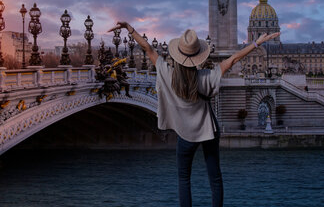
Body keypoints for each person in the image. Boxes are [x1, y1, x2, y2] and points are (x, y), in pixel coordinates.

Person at [108, 22, 280, 207]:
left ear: (177, 56)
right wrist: (256, 44)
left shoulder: (167, 74)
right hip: (208, 131)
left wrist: (129, 28)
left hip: (186, 135)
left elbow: (147, 48)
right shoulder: (206, 77)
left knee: (184, 179)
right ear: (198, 56)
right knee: (215, 177)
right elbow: (233, 60)